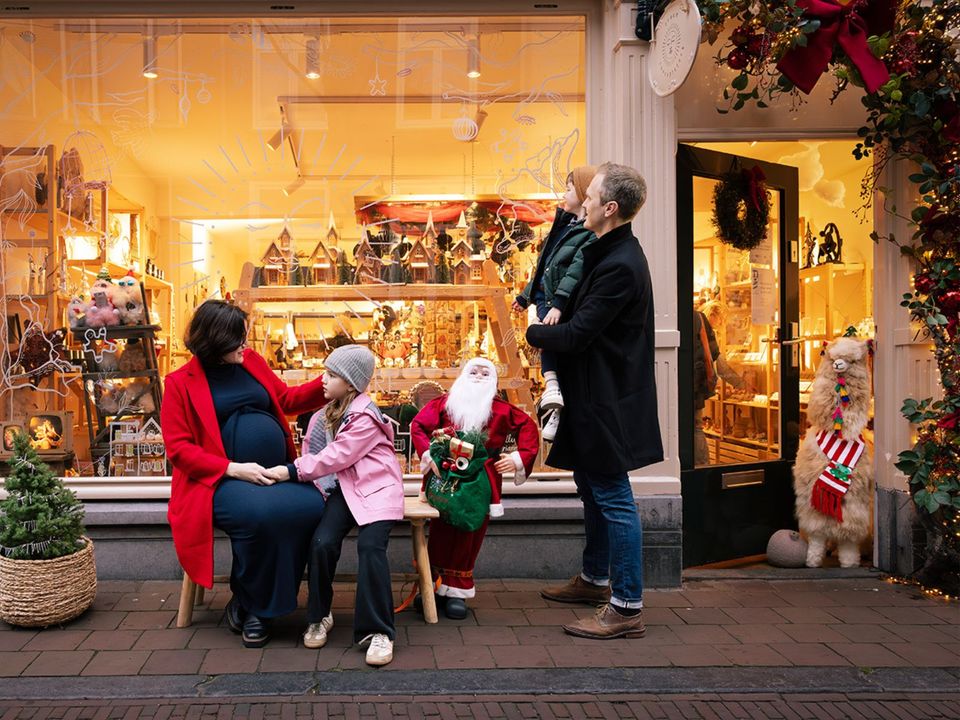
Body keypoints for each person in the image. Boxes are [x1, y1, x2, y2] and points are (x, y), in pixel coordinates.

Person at [526, 162, 663, 640]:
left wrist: (534, 331)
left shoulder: (621, 264)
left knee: (613, 498)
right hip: (592, 394)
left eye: (591, 197)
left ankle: (626, 606)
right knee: (592, 492)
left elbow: (580, 332)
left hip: (608, 401)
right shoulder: (605, 248)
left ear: (610, 208)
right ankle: (595, 579)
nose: (580, 201)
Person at [162, 300, 328, 649]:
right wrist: (233, 468)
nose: (245, 345)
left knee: (309, 507)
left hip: (274, 472)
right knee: (260, 515)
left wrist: (329, 381)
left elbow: (285, 399)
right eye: (238, 339)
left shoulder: (251, 362)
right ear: (215, 341)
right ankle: (256, 608)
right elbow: (178, 449)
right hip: (218, 480)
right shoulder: (179, 383)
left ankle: (253, 601)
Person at [264, 345, 404, 667]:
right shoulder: (328, 413)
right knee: (322, 542)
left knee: (370, 547)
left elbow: (337, 455)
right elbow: (319, 452)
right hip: (349, 488)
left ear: (351, 382)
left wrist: (291, 470)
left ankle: (379, 631)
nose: (322, 380)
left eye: (331, 375)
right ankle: (319, 614)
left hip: (378, 489)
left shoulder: (365, 416)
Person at [410, 358, 539, 619]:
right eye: (474, 371)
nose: (479, 376)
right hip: (445, 476)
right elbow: (418, 426)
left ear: (493, 380)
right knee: (441, 529)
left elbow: (528, 427)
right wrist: (429, 455)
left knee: (471, 533)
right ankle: (433, 587)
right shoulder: (445, 403)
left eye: (485, 372)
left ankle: (457, 592)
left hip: (482, 480)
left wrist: (516, 459)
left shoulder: (501, 409)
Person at [513, 166, 597, 442]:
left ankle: (552, 395)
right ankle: (554, 401)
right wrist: (525, 297)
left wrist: (559, 302)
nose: (564, 193)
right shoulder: (564, 226)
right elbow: (543, 266)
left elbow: (575, 270)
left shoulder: (587, 232)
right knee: (547, 346)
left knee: (549, 347)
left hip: (555, 301)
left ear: (584, 194)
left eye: (570, 188)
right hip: (543, 299)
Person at [693, 302, 749, 466]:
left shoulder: (681, 318)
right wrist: (740, 383)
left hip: (683, 383)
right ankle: (703, 467)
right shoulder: (700, 320)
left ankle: (694, 466)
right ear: (714, 315)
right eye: (720, 319)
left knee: (688, 426)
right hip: (696, 385)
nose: (720, 324)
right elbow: (717, 359)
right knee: (696, 427)